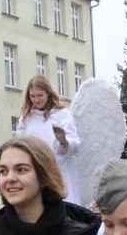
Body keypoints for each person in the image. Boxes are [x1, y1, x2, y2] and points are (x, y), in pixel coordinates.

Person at [15, 75, 82, 204]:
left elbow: (75, 146)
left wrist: (63, 140)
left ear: (48, 93)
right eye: (32, 96)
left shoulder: (63, 114)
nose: (36, 100)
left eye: (40, 95)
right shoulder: (26, 118)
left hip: (59, 171)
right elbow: (19, 144)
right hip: (35, 171)